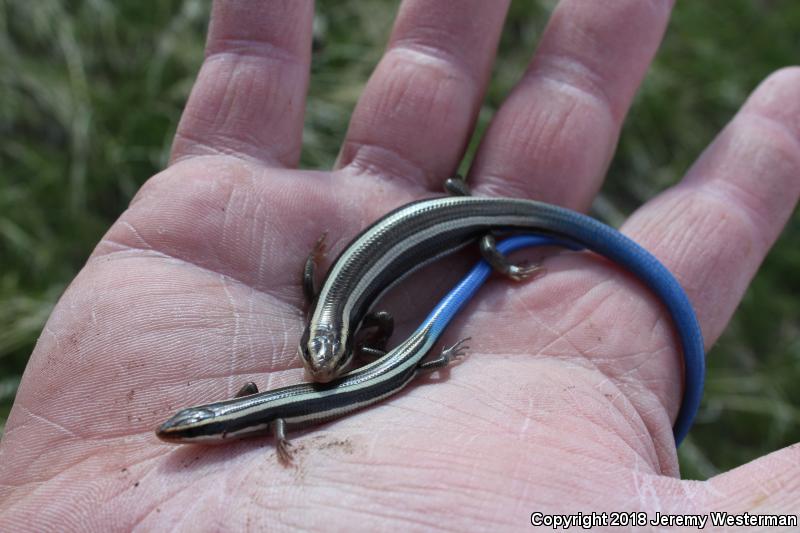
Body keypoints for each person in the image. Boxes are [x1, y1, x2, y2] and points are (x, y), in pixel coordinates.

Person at [1, 1, 798, 530]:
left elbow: (343, 317)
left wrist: (487, 266)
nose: (323, 368)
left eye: (328, 358)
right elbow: (333, 308)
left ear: (330, 336)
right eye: (327, 358)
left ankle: (508, 245)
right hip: (443, 216)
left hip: (465, 225)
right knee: (480, 232)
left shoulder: (337, 324)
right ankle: (502, 235)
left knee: (496, 233)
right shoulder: (330, 318)